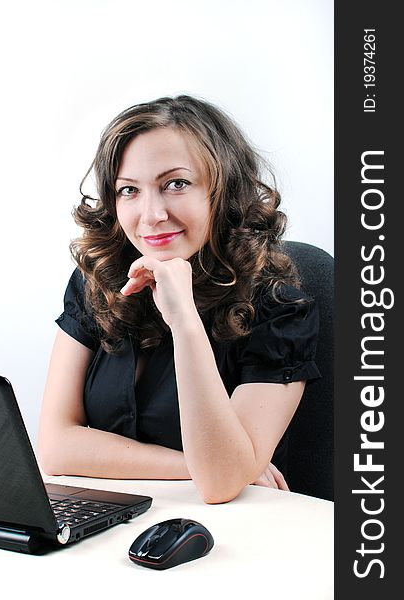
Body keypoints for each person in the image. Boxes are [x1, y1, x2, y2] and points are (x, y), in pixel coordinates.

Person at [37, 94, 320, 504]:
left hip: (238, 533)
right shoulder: (96, 283)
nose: (151, 214)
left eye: (176, 184)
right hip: (112, 517)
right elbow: (56, 446)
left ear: (223, 190)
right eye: (129, 190)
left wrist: (184, 320)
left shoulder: (279, 310)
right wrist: (211, 464)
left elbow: (220, 484)